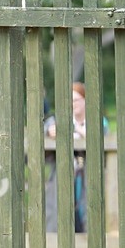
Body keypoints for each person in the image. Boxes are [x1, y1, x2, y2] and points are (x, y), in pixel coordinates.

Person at [44, 82, 108, 233]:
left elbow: (102, 136)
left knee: (87, 210)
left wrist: (80, 131)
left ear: (86, 100)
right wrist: (49, 132)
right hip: (64, 173)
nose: (73, 104)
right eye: (70, 101)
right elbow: (47, 128)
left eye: (76, 100)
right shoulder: (59, 120)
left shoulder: (97, 121)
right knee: (57, 209)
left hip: (88, 173)